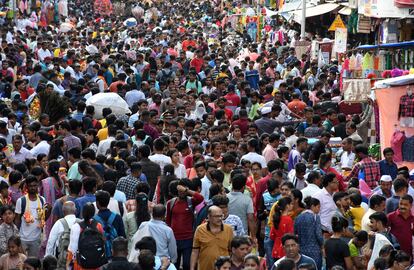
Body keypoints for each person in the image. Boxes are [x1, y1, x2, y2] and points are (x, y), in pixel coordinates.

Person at [166, 180, 204, 270]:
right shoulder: (170, 203)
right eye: (180, 190)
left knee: (187, 264)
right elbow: (168, 221)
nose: (181, 193)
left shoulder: (191, 202)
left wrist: (187, 190)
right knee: (175, 264)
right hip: (174, 239)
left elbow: (200, 198)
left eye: (183, 191)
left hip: (188, 238)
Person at [15, 175, 51, 257]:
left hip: (36, 239)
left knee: (33, 262)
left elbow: (43, 219)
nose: (33, 188)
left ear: (38, 186)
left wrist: (50, 210)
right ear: (27, 187)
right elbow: (17, 219)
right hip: (22, 238)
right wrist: (17, 236)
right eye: (30, 186)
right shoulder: (21, 201)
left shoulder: (42, 200)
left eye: (34, 185)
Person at [190, 205, 234, 270]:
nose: (219, 218)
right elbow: (195, 251)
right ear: (209, 217)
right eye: (216, 216)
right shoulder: (200, 229)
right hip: (204, 267)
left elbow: (232, 250)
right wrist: (192, 268)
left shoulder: (228, 229)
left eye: (221, 216)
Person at [67, 203, 105, 269]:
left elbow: (72, 249)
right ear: (93, 213)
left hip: (81, 264)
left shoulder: (76, 227)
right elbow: (103, 243)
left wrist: (68, 265)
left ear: (82, 213)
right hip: (96, 263)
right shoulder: (98, 226)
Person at [294, 197, 323, 270]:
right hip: (314, 250)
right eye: (318, 207)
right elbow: (318, 235)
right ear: (313, 206)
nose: (319, 209)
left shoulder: (298, 217)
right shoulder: (316, 217)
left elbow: (295, 233)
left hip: (301, 250)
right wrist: (322, 245)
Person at [227, 174, 256, 241]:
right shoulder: (247, 199)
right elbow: (250, 219)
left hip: (227, 233)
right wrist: (253, 237)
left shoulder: (225, 198)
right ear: (243, 187)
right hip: (242, 234)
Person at [270, 196, 294, 261]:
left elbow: (271, 236)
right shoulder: (289, 219)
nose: (292, 205)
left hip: (276, 249)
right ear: (287, 206)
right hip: (285, 250)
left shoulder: (276, 218)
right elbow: (291, 235)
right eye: (291, 204)